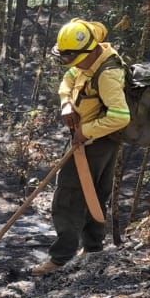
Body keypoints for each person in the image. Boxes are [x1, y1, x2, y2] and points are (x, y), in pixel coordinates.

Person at [32, 19, 130, 276]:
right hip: (88, 138)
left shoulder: (107, 74)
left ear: (90, 50)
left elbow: (120, 116)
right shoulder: (88, 62)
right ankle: (93, 250)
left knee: (68, 197)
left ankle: (61, 259)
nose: (70, 64)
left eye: (73, 58)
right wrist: (66, 103)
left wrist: (85, 132)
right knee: (94, 195)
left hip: (95, 141)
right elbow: (69, 78)